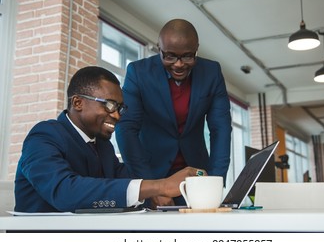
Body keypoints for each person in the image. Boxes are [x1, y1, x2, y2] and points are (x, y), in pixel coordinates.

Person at [14, 66, 204, 212]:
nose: (117, 116)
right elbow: (64, 191)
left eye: (120, 108)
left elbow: (123, 181)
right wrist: (160, 186)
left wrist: (156, 193)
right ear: (78, 102)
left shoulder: (103, 146)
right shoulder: (43, 136)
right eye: (110, 105)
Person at [116, 19, 232, 207]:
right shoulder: (138, 72)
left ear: (197, 49)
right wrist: (152, 187)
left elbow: (221, 129)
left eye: (187, 56)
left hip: (197, 177)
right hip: (150, 172)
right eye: (169, 56)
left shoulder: (212, 72)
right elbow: (126, 129)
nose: (178, 65)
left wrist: (215, 183)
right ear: (158, 49)